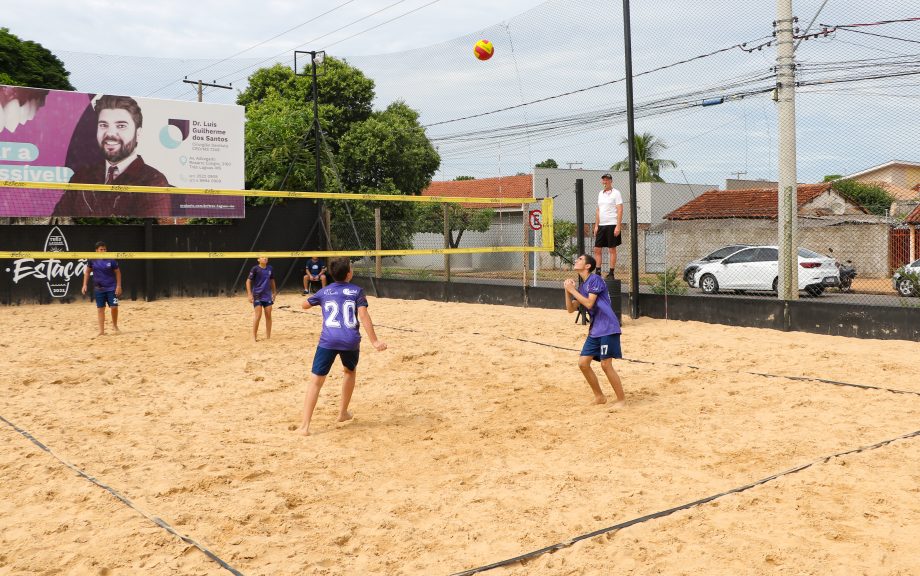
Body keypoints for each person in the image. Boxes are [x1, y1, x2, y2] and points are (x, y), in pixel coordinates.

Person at [296, 257, 387, 436]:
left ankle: (305, 426)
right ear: (349, 274)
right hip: (350, 340)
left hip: (328, 340)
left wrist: (319, 298)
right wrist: (375, 341)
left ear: (331, 274)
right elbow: (364, 316)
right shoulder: (357, 291)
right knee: (349, 371)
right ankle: (342, 412)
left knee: (316, 381)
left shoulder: (325, 291)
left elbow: (304, 305)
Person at [53, 95, 172, 217]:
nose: (110, 133)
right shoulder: (81, 176)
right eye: (103, 125)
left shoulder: (153, 181)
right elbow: (58, 219)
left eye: (121, 126)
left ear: (138, 133)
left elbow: (151, 229)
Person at [564, 254, 625, 405]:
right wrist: (567, 291)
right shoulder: (583, 286)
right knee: (583, 363)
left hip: (608, 327)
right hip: (596, 330)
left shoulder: (595, 279)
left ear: (587, 266)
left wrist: (572, 290)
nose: (576, 260)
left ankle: (622, 400)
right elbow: (571, 309)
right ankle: (600, 397)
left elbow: (590, 303)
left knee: (605, 364)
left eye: (580, 259)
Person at [82, 240, 121, 336]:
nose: (103, 251)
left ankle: (115, 325)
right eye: (101, 249)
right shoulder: (92, 260)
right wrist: (84, 285)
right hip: (99, 288)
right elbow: (87, 272)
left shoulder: (111, 259)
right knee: (100, 309)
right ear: (96, 251)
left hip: (111, 287)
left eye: (104, 249)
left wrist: (119, 286)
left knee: (114, 307)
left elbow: (118, 272)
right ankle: (101, 331)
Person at [593, 173, 623, 277]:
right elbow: (598, 210)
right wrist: (596, 225)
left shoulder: (616, 193)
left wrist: (618, 226)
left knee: (612, 249)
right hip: (601, 225)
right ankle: (598, 271)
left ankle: (611, 272)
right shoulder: (600, 193)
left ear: (611, 181)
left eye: (607, 180)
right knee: (597, 249)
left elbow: (620, 210)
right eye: (603, 180)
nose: (605, 182)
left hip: (612, 224)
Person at [246, 256, 276, 341]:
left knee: (268, 315)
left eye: (266, 257)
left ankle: (268, 337)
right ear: (258, 259)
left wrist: (274, 292)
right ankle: (254, 336)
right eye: (262, 257)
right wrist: (249, 294)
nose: (265, 258)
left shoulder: (270, 268)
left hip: (267, 295)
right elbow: (248, 281)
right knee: (258, 315)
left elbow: (272, 280)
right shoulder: (255, 268)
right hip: (257, 295)